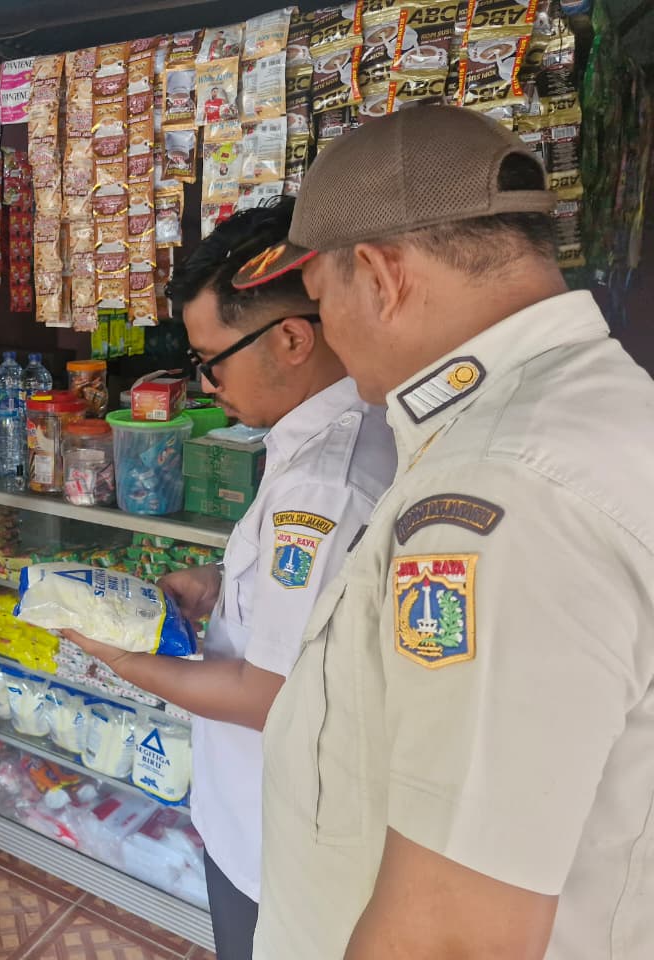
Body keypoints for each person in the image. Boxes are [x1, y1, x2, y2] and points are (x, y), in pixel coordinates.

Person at [236, 105, 654, 958]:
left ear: (381, 276)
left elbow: (451, 936)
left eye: (322, 300)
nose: (329, 336)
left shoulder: (501, 496)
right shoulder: (588, 409)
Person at [63, 199, 397, 958]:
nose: (204, 384)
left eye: (210, 360)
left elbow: (267, 695)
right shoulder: (320, 439)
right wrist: (222, 580)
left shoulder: (324, 482)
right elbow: (310, 601)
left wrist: (121, 659)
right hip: (262, 819)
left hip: (273, 842)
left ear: (291, 338)